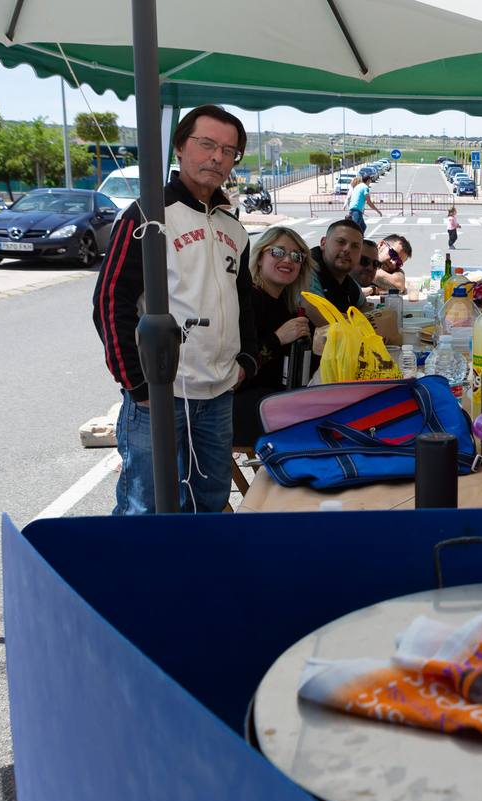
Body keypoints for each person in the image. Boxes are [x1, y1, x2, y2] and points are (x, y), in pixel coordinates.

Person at [92, 104, 256, 515]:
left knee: (210, 503)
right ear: (180, 148)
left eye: (228, 150)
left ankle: (201, 580)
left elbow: (244, 302)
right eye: (206, 145)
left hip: (218, 395)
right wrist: (138, 384)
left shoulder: (233, 227)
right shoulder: (148, 215)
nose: (217, 157)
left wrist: (246, 361)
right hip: (161, 396)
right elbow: (111, 301)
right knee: (144, 508)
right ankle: (135, 581)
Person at [233, 226, 313, 445]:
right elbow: (238, 373)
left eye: (297, 256)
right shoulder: (247, 300)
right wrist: (278, 338)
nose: (288, 260)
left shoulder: (288, 305)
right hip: (243, 405)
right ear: (259, 258)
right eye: (277, 252)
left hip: (279, 400)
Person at [308, 218, 364, 314]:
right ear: (323, 243)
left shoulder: (349, 282)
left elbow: (365, 306)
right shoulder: (307, 271)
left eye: (355, 246)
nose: (347, 249)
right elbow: (325, 319)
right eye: (341, 242)